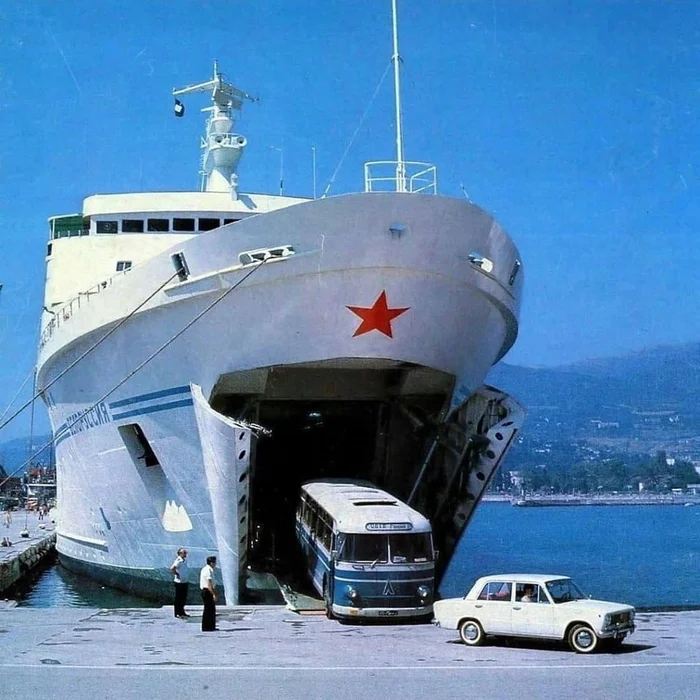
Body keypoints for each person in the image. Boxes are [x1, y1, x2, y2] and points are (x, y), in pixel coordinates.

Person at [199, 555, 218, 631]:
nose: (215, 564)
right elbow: (209, 583)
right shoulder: (207, 570)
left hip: (208, 590)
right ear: (211, 563)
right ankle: (207, 627)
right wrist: (214, 594)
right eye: (214, 562)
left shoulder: (208, 569)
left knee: (210, 609)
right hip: (207, 591)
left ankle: (210, 626)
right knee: (208, 609)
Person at [170, 547, 190, 618]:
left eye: (185, 553)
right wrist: (177, 574)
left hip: (184, 581)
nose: (185, 554)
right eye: (184, 553)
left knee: (183, 598)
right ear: (180, 554)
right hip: (179, 582)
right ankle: (177, 612)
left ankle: (182, 611)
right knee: (178, 598)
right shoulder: (178, 560)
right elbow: (172, 568)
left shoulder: (184, 560)